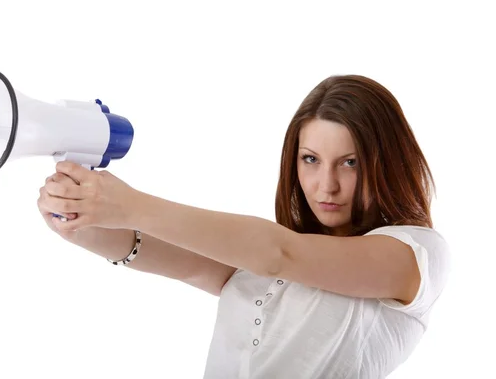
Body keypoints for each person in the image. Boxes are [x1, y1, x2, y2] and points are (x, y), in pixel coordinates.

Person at [36, 74, 451, 378]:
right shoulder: (262, 256)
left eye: (350, 162)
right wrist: (73, 215)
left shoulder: (414, 254)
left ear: (387, 161)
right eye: (310, 159)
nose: (327, 184)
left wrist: (130, 203)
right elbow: (137, 245)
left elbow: (278, 255)